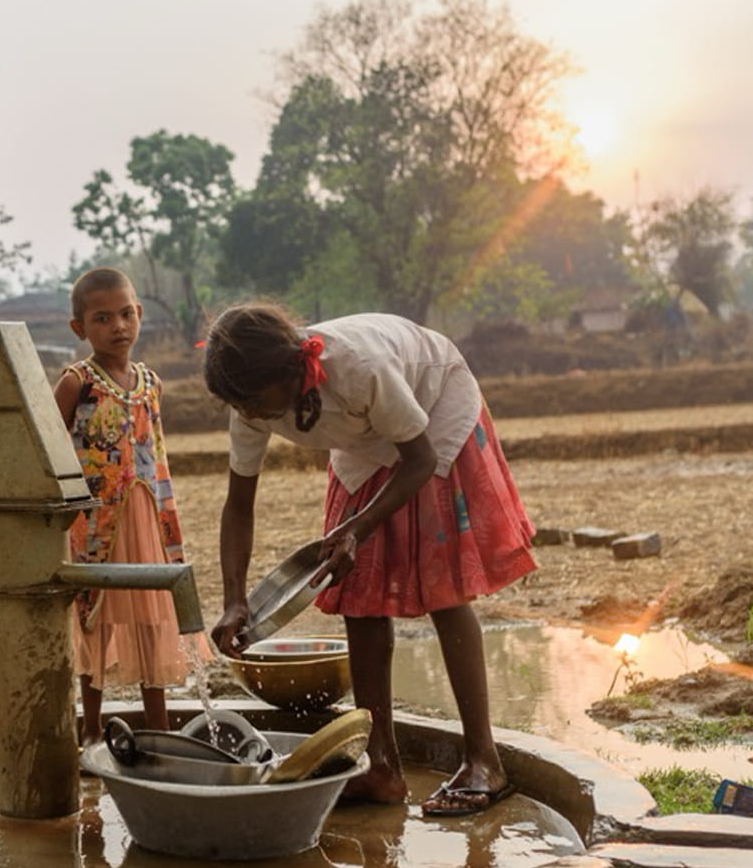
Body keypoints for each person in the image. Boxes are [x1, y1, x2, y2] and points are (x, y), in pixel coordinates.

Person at [203, 305, 535, 816]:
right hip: (362, 440)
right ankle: (380, 765)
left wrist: (356, 529)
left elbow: (420, 459)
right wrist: (233, 600)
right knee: (358, 596)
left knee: (442, 589)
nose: (249, 413)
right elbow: (238, 503)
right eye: (241, 405)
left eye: (256, 403)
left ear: (291, 370)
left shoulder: (359, 366)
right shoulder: (249, 398)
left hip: (433, 412)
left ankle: (483, 760)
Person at [54, 268, 211, 743]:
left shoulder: (149, 381)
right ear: (79, 328)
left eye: (125, 314)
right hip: (97, 519)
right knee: (93, 611)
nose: (117, 326)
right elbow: (50, 447)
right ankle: (91, 726)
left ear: (139, 314)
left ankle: (160, 727)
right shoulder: (75, 382)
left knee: (150, 613)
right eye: (102, 318)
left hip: (148, 514)